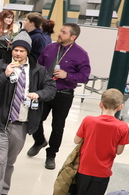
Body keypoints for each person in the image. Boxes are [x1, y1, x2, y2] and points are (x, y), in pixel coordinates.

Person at [0, 38, 56, 195]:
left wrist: (38, 94)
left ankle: (4, 191)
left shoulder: (38, 70)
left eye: (22, 51)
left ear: (27, 53)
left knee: (10, 160)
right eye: (15, 50)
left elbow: (51, 89)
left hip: (21, 122)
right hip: (0, 121)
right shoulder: (0, 66)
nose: (18, 53)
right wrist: (4, 75)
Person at [27, 23, 92, 170]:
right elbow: (38, 66)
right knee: (35, 119)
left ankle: (51, 155)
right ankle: (39, 141)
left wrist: (67, 75)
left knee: (57, 126)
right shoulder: (50, 48)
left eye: (63, 32)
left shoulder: (81, 54)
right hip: (45, 91)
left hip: (64, 94)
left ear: (73, 37)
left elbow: (84, 77)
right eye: (61, 31)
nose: (59, 33)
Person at [71, 89, 129, 195]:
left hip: (83, 169)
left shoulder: (88, 120)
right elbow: (119, 151)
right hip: (103, 172)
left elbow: (76, 140)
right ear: (120, 107)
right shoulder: (123, 127)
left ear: (100, 104)